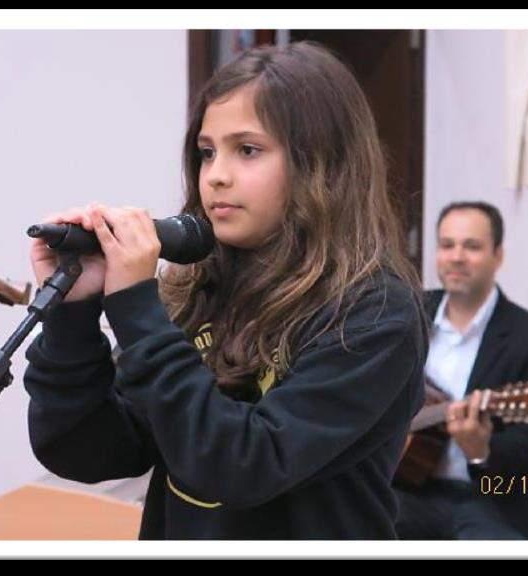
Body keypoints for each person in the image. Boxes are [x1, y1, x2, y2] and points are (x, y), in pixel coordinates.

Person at [23, 41, 427, 539]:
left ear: (322, 164)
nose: (215, 176)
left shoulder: (375, 312)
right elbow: (88, 451)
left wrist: (137, 309)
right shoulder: (200, 285)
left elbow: (243, 465)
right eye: (207, 152)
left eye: (248, 150)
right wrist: (73, 317)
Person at [395, 201, 528, 539]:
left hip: (490, 499)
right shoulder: (408, 312)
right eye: (447, 245)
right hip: (407, 487)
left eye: (471, 246)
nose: (456, 257)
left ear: (497, 256)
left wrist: (481, 450)